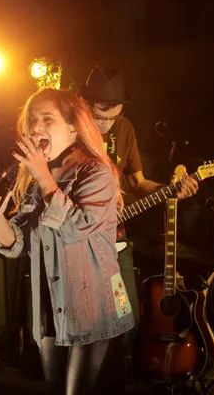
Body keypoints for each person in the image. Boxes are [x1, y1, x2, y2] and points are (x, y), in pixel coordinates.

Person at [0, 88, 134, 395]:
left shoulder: (95, 172)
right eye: (32, 120)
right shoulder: (37, 182)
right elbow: (17, 244)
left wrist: (44, 177)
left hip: (92, 309)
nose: (36, 127)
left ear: (73, 127)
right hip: (50, 309)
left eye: (47, 119)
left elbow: (77, 228)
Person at [77, 67, 198, 342]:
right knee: (88, 324)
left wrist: (171, 191)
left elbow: (137, 183)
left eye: (114, 116)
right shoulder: (70, 130)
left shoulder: (124, 128)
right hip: (79, 242)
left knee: (127, 317)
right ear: (85, 103)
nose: (107, 124)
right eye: (100, 116)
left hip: (116, 239)